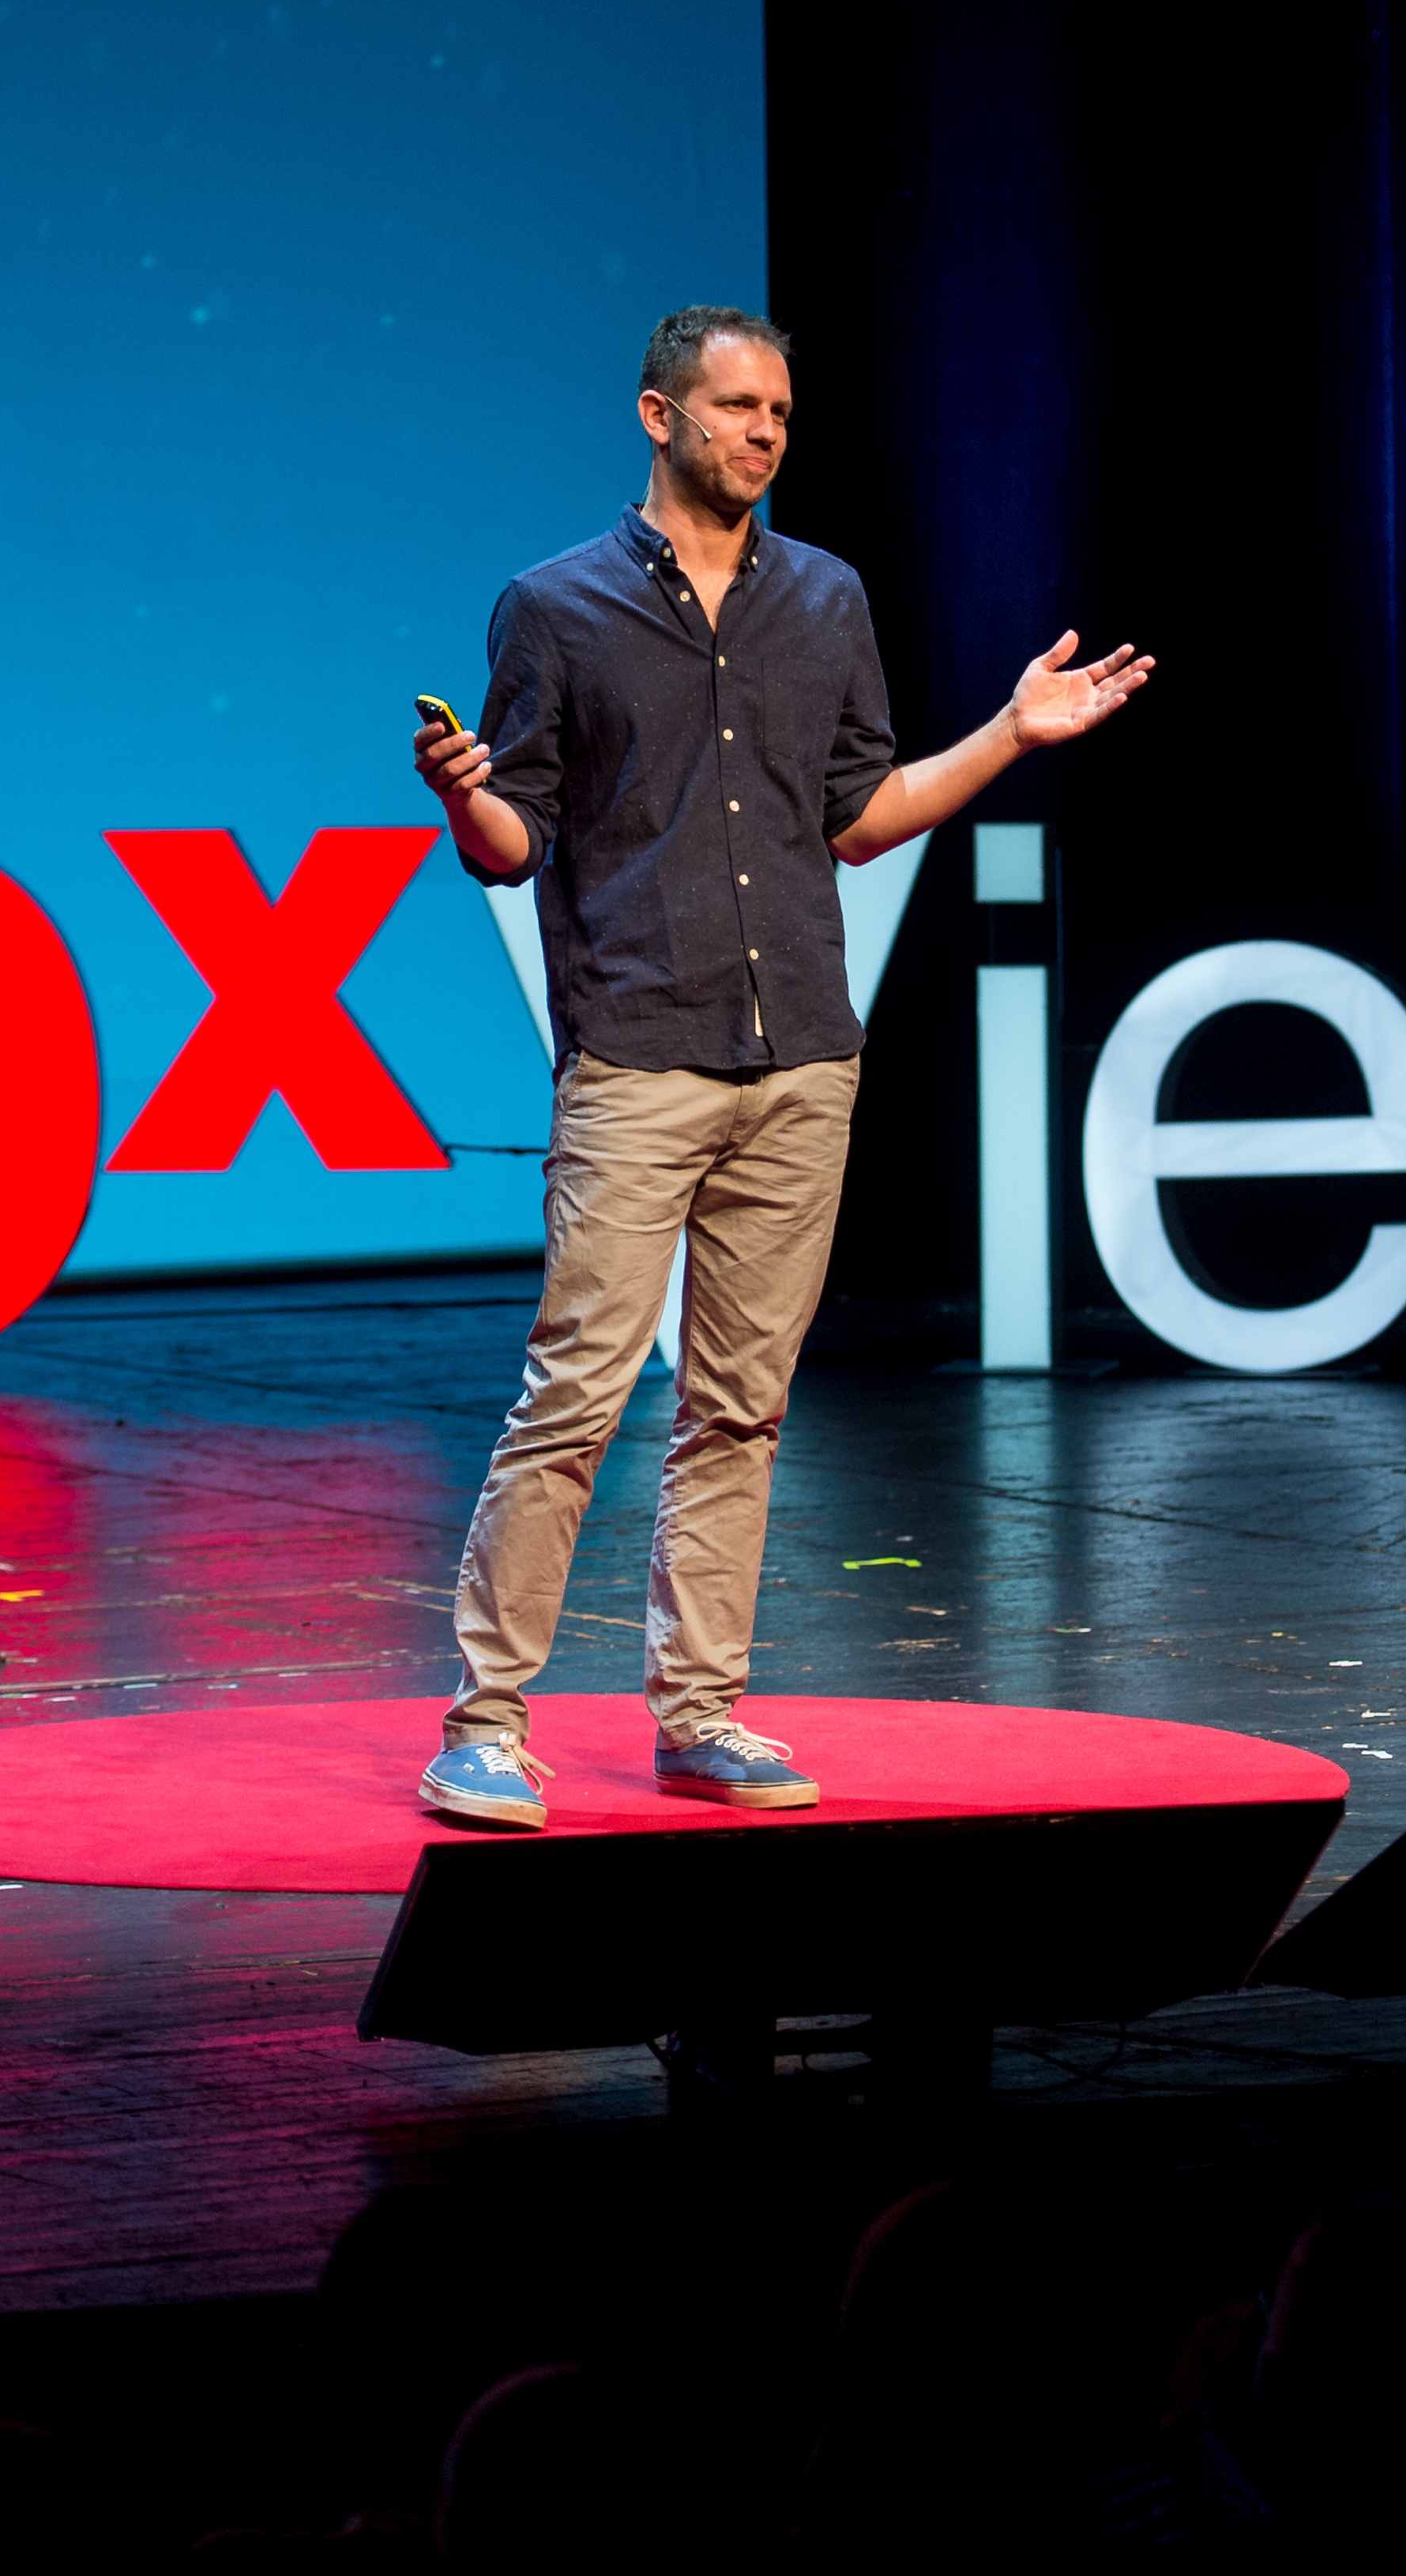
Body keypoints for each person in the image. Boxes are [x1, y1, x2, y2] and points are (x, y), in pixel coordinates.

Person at [407, 307, 1147, 1825]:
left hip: (800, 1053)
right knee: (579, 1397)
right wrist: (458, 796)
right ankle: (485, 1721)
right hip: (639, 1050)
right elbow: (515, 842)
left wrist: (1010, 731)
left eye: (782, 414)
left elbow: (860, 818)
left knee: (739, 1408)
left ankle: (703, 1713)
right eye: (737, 407)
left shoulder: (826, 599)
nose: (764, 433)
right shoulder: (555, 608)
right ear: (657, 417)